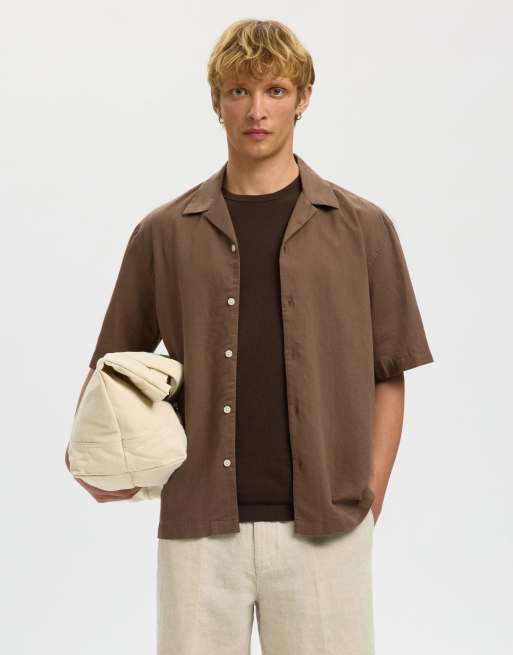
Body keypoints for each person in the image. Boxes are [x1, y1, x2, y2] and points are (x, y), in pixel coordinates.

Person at [67, 18, 434, 655]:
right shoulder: (164, 233)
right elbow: (110, 369)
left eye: (275, 90)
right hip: (200, 528)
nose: (256, 110)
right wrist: (90, 458)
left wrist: (368, 502)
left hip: (326, 528)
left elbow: (388, 374)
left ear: (304, 98)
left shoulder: (363, 228)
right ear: (216, 103)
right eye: (239, 91)